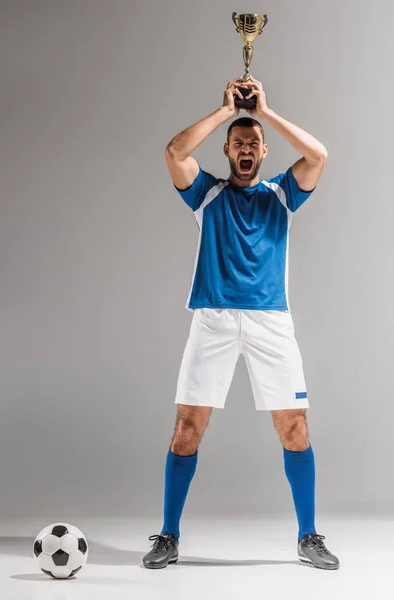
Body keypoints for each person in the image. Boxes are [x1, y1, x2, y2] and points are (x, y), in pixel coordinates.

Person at [142, 76, 339, 570]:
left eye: (254, 144)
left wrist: (264, 112)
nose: (246, 149)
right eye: (238, 143)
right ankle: (168, 534)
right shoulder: (206, 193)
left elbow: (319, 156)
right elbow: (173, 151)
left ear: (264, 151)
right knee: (188, 426)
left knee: (294, 426)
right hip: (213, 319)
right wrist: (224, 111)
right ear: (227, 150)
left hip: (271, 321)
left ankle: (308, 536)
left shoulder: (282, 196)